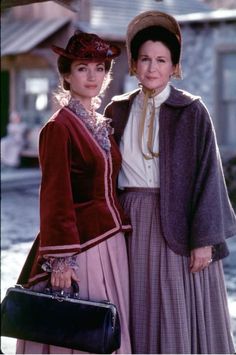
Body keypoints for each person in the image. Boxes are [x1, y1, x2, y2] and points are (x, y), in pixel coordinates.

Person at [104, 11, 236, 354]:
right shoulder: (117, 110)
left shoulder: (192, 110)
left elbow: (209, 176)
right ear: (133, 63)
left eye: (161, 60)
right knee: (135, 301)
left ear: (174, 65)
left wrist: (204, 239)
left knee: (173, 302)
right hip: (130, 221)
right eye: (145, 59)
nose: (152, 68)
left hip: (178, 219)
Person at [16, 31, 132, 354]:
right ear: (66, 75)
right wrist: (61, 260)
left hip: (112, 243)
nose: (92, 75)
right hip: (81, 248)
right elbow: (55, 198)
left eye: (99, 68)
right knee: (81, 334)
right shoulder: (59, 127)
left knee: (108, 333)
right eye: (83, 68)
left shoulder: (101, 123)